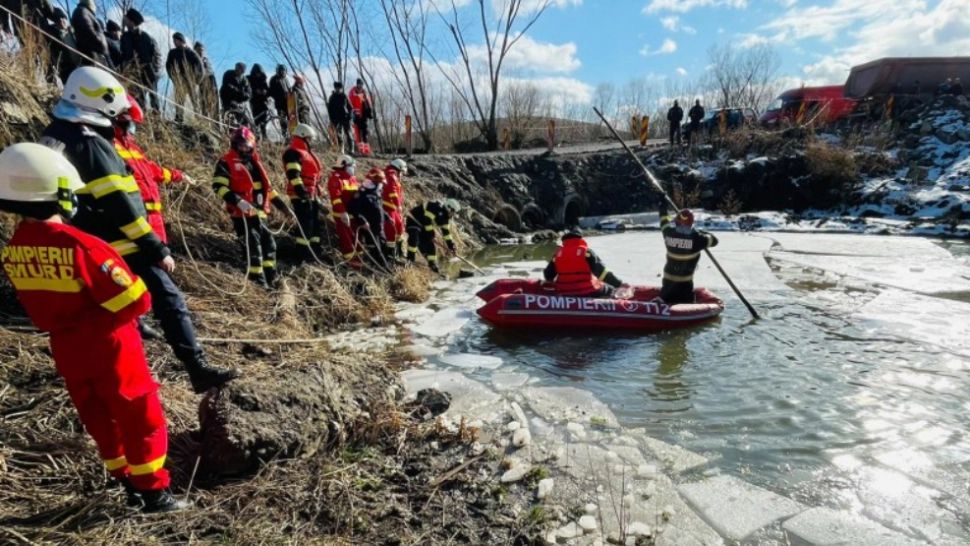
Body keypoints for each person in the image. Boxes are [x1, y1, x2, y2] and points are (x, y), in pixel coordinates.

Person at [0, 142, 189, 513]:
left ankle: (125, 482)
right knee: (140, 414)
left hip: (66, 346)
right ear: (56, 195)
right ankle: (154, 492)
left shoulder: (15, 248)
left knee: (98, 414)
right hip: (111, 343)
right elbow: (136, 299)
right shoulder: (83, 245)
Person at [40, 67, 237, 393]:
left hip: (87, 246)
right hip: (122, 242)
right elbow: (119, 200)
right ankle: (196, 369)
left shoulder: (54, 135)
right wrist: (154, 247)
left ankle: (125, 378)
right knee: (170, 301)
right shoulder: (91, 142)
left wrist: (176, 177)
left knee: (116, 315)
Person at [212, 126, 288, 286]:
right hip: (242, 215)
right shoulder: (226, 162)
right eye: (241, 145)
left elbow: (267, 189)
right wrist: (238, 201)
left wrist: (282, 206)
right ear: (235, 144)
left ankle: (272, 279)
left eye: (247, 145)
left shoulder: (255, 162)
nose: (244, 148)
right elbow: (219, 187)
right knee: (254, 249)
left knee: (270, 246)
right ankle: (259, 283)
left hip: (260, 213)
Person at [112, 95, 188, 247]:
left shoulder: (133, 148)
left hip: (155, 218)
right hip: (137, 218)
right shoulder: (110, 147)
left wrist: (179, 176)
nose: (133, 130)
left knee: (162, 257)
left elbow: (153, 171)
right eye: (131, 125)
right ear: (120, 122)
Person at [658, 201, 718, 304]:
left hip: (668, 285)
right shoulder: (698, 240)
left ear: (677, 222)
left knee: (666, 302)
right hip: (684, 286)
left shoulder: (668, 233)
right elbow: (714, 241)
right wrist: (702, 233)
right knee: (687, 303)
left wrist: (662, 205)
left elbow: (664, 220)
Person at [543, 229, 625, 297]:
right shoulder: (586, 252)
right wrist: (619, 284)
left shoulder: (557, 254)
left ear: (564, 240)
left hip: (563, 291)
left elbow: (548, 274)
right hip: (587, 291)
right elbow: (602, 273)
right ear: (580, 238)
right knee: (610, 289)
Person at [282, 123, 323, 260]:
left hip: (311, 194)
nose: (311, 141)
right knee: (305, 223)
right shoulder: (293, 152)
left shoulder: (306, 153)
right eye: (310, 138)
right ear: (303, 137)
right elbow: (293, 174)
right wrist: (302, 193)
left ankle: (315, 251)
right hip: (301, 195)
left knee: (315, 223)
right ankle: (302, 254)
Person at [121, 8, 161, 113]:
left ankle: (156, 119)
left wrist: (155, 72)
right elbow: (123, 55)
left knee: (154, 98)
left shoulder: (146, 38)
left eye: (127, 19)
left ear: (132, 21)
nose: (124, 20)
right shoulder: (125, 37)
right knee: (138, 99)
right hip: (134, 73)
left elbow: (157, 56)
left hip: (149, 72)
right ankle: (141, 119)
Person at [406, 199, 460, 273]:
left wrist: (451, 246)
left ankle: (432, 265)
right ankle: (410, 260)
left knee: (431, 247)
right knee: (414, 239)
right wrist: (431, 233)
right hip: (414, 220)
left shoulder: (445, 219)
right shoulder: (434, 207)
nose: (453, 215)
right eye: (453, 213)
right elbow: (427, 220)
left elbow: (446, 233)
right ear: (449, 208)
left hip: (423, 227)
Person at [349, 168, 388, 266]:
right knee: (375, 248)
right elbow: (355, 210)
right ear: (373, 182)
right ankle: (377, 267)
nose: (381, 185)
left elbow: (379, 208)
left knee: (383, 245)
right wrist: (363, 221)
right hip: (369, 228)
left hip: (379, 227)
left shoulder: (376, 193)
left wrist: (387, 216)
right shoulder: (362, 194)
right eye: (380, 183)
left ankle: (385, 265)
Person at [327, 155, 361, 265]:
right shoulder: (336, 178)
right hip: (342, 216)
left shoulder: (353, 179)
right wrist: (342, 212)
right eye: (351, 166)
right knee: (347, 241)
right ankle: (351, 264)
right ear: (343, 165)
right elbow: (336, 199)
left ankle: (360, 263)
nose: (353, 168)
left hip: (354, 215)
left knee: (357, 240)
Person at [165, 32, 203, 124]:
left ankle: (198, 121)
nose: (174, 42)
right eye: (173, 40)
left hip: (190, 82)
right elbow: (168, 66)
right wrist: (173, 77)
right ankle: (178, 120)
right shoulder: (172, 53)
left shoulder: (191, 53)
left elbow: (200, 68)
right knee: (179, 102)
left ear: (181, 40)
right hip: (179, 82)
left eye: (176, 40)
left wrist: (196, 81)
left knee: (195, 103)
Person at [71, 0, 109, 67]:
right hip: (93, 58)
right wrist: (101, 43)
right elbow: (89, 35)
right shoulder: (82, 12)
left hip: (96, 57)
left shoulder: (85, 12)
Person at [45, 7, 77, 85]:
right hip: (66, 69)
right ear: (55, 22)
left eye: (63, 18)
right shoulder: (53, 36)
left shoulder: (73, 31)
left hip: (80, 65)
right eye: (59, 20)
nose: (62, 21)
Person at [382, 159, 407, 258]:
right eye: (402, 172)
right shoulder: (391, 175)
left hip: (394, 209)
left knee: (400, 228)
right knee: (391, 230)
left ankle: (399, 251)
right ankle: (391, 254)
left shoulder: (393, 175)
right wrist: (398, 205)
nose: (402, 175)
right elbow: (392, 192)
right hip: (388, 208)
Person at [220, 62, 253, 127]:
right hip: (228, 100)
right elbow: (228, 87)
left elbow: (248, 92)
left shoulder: (244, 79)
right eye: (236, 68)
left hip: (239, 103)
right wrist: (241, 93)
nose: (237, 70)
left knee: (245, 121)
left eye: (239, 70)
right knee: (230, 119)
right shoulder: (228, 74)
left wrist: (246, 95)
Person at [194, 41, 219, 120]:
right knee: (204, 104)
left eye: (202, 50)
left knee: (214, 104)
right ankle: (205, 122)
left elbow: (211, 72)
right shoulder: (194, 60)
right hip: (202, 84)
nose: (200, 51)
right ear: (195, 50)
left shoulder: (207, 60)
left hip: (211, 83)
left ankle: (216, 124)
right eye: (198, 50)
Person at [327, 81, 353, 154]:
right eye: (337, 88)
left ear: (341, 88)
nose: (338, 89)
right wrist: (331, 119)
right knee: (338, 134)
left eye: (339, 88)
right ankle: (341, 149)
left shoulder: (344, 96)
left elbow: (350, 107)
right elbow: (329, 109)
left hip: (345, 118)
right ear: (335, 88)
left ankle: (351, 149)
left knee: (348, 133)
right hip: (336, 119)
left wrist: (350, 116)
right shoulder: (332, 97)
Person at [248, 64, 271, 139]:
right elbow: (247, 89)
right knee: (255, 120)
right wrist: (255, 91)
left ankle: (264, 135)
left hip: (263, 102)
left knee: (264, 121)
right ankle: (255, 136)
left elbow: (268, 90)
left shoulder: (263, 79)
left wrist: (265, 92)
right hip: (254, 102)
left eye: (259, 73)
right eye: (257, 73)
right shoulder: (249, 79)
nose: (258, 74)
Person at [349, 78, 373, 145]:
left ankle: (366, 144)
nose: (360, 86)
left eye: (361, 84)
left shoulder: (365, 93)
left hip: (364, 115)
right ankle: (359, 145)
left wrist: (370, 112)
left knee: (365, 130)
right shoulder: (352, 92)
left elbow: (369, 102)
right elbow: (351, 101)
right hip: (356, 115)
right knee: (357, 131)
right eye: (359, 84)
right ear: (357, 84)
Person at [269, 64, 290, 137]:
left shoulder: (286, 79)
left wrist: (290, 93)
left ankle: (293, 135)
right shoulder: (274, 79)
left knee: (291, 119)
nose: (283, 72)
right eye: (281, 71)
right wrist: (280, 95)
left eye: (284, 71)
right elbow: (271, 92)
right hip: (279, 103)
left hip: (288, 103)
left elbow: (289, 89)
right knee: (282, 120)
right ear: (278, 71)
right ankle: (285, 136)